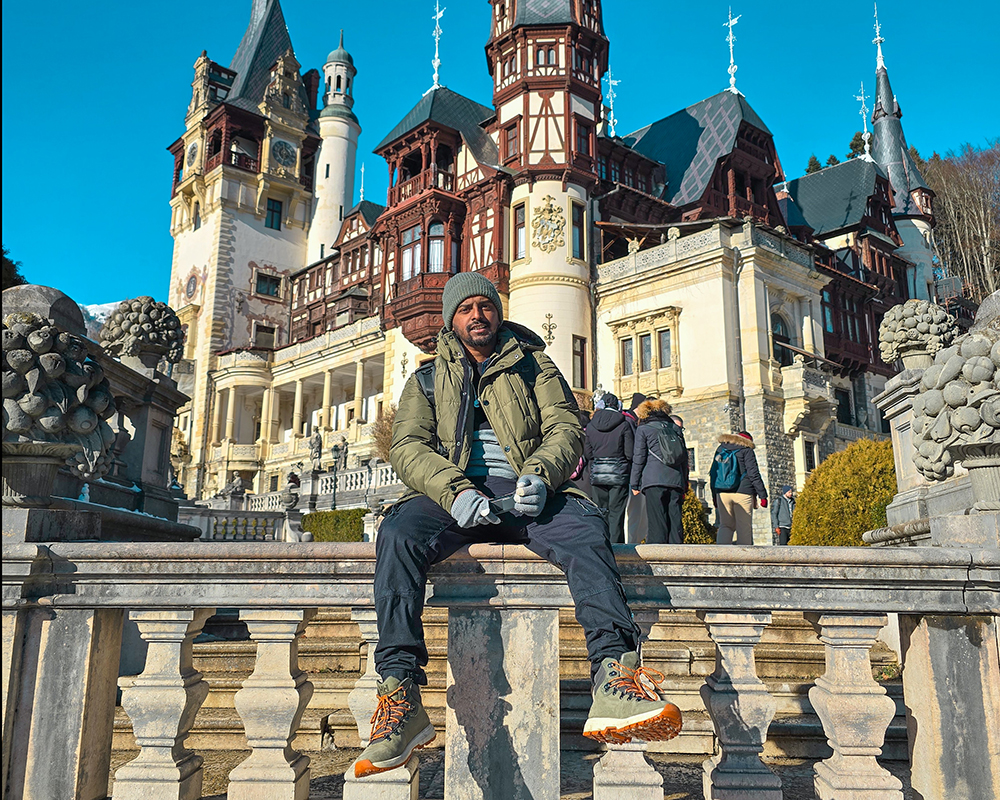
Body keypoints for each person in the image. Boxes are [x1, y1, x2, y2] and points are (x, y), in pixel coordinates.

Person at [354, 273, 681, 778]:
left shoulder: (535, 365)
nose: (477, 315)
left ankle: (614, 675)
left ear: (498, 312)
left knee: (586, 532)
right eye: (466, 309)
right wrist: (454, 491)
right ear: (451, 319)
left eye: (485, 306)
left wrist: (541, 476)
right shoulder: (426, 378)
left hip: (529, 492)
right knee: (397, 535)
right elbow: (408, 446)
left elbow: (565, 428)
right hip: (455, 497)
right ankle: (399, 695)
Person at [629, 399, 689, 544]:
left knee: (657, 521)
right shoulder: (675, 428)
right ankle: (677, 553)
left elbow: (639, 458)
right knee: (675, 521)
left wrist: (635, 483)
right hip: (675, 480)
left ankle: (657, 553)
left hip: (653, 479)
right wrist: (684, 482)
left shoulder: (644, 429)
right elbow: (684, 458)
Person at [584, 392, 634, 543]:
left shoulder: (591, 426)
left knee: (600, 512)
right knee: (616, 514)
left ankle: (601, 545)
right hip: (618, 473)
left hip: (598, 474)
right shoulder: (624, 424)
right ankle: (617, 548)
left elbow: (588, 453)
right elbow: (629, 453)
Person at [709, 431, 768, 545]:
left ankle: (721, 554)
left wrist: (714, 496)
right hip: (743, 492)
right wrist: (763, 496)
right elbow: (753, 474)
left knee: (725, 525)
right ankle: (744, 555)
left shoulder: (721, 448)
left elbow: (713, 473)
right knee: (744, 527)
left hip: (722, 493)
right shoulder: (746, 450)